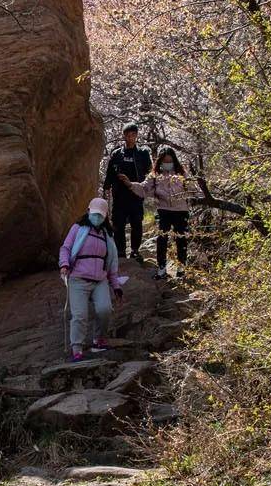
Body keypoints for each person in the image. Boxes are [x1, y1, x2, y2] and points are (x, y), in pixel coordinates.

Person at [59, 197, 123, 361]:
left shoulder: (107, 236)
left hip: (100, 280)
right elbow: (66, 248)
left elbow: (111, 263)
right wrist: (64, 264)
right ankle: (77, 349)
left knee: (105, 310)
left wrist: (116, 286)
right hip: (78, 278)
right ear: (88, 211)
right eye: (94, 214)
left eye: (100, 215)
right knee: (79, 315)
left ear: (105, 216)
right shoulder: (77, 228)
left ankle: (99, 340)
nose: (97, 218)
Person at [119, 146, 195, 279]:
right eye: (165, 161)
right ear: (160, 161)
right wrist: (130, 184)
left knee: (181, 239)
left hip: (181, 210)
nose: (167, 164)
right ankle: (161, 267)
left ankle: (181, 268)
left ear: (174, 160)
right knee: (162, 239)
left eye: (170, 161)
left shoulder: (182, 173)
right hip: (164, 210)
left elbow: (193, 189)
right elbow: (143, 188)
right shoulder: (154, 176)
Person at [102, 122, 152, 260]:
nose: (130, 138)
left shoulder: (143, 153)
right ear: (123, 136)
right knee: (118, 223)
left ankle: (135, 250)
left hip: (136, 193)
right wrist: (106, 187)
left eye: (133, 135)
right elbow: (110, 173)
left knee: (137, 222)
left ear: (136, 136)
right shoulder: (117, 154)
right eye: (127, 135)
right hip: (119, 194)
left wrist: (145, 187)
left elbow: (150, 172)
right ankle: (121, 251)